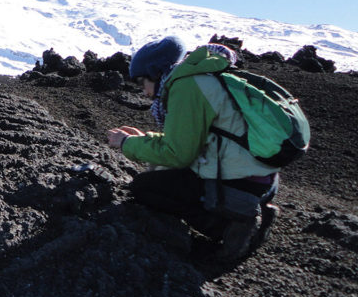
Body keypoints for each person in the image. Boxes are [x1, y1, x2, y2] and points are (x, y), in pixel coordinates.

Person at [106, 36, 280, 262]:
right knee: (164, 175)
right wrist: (144, 139)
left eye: (142, 83)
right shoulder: (200, 78)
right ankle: (252, 212)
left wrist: (127, 144)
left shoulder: (186, 87)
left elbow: (178, 155)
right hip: (259, 178)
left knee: (146, 188)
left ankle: (231, 227)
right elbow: (190, 140)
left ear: (156, 73)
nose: (143, 91)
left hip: (240, 182)